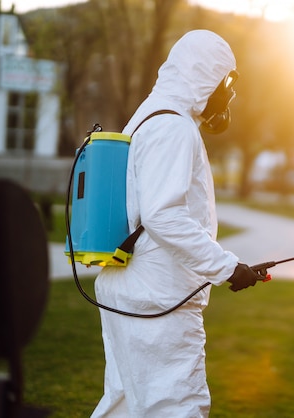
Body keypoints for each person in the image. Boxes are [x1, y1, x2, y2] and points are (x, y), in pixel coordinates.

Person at [91, 30, 261, 418]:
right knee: (176, 407)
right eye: (225, 82)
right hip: (156, 298)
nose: (228, 94)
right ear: (204, 74)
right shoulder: (174, 126)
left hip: (131, 288)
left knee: (124, 405)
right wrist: (226, 267)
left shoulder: (149, 115)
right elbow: (162, 215)